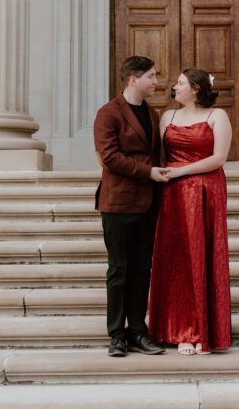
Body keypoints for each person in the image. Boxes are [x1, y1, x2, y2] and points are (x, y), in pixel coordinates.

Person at [148, 68, 232, 355]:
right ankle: (180, 328)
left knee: (202, 255)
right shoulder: (166, 118)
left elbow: (219, 158)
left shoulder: (217, 116)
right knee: (177, 259)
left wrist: (180, 171)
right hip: (172, 194)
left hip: (206, 191)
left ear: (196, 88)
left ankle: (202, 330)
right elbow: (159, 156)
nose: (175, 86)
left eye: (181, 83)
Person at [93, 55, 170, 357]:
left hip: (148, 203)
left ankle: (138, 330)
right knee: (119, 270)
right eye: (151, 76)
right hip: (118, 203)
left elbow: (156, 155)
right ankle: (117, 335)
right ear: (133, 79)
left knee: (142, 269)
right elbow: (109, 157)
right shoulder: (108, 113)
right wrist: (148, 172)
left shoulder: (152, 114)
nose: (156, 81)